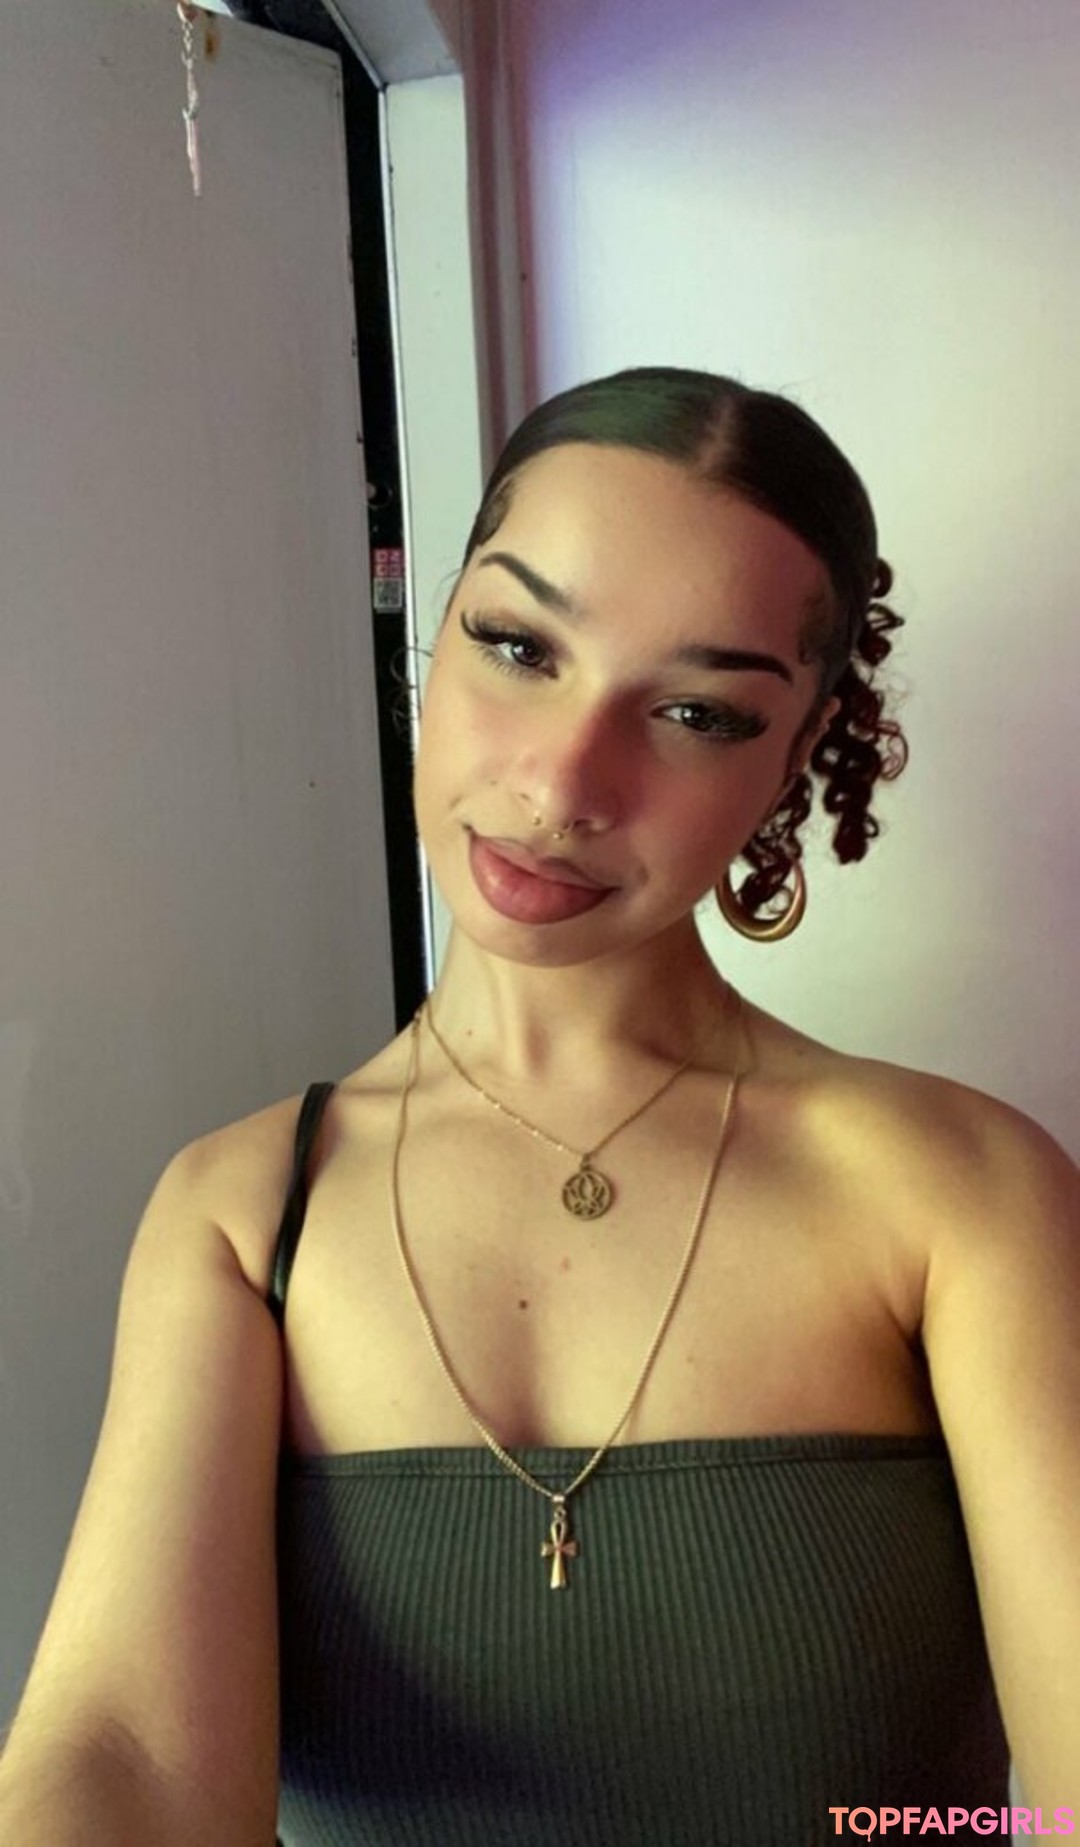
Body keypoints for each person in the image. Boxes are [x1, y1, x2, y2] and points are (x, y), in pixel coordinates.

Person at [0, 368, 1076, 1846]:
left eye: (696, 711)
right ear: (439, 627)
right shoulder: (243, 1215)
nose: (564, 782)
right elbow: (121, 1751)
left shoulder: (958, 1192)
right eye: (518, 646)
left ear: (795, 754)